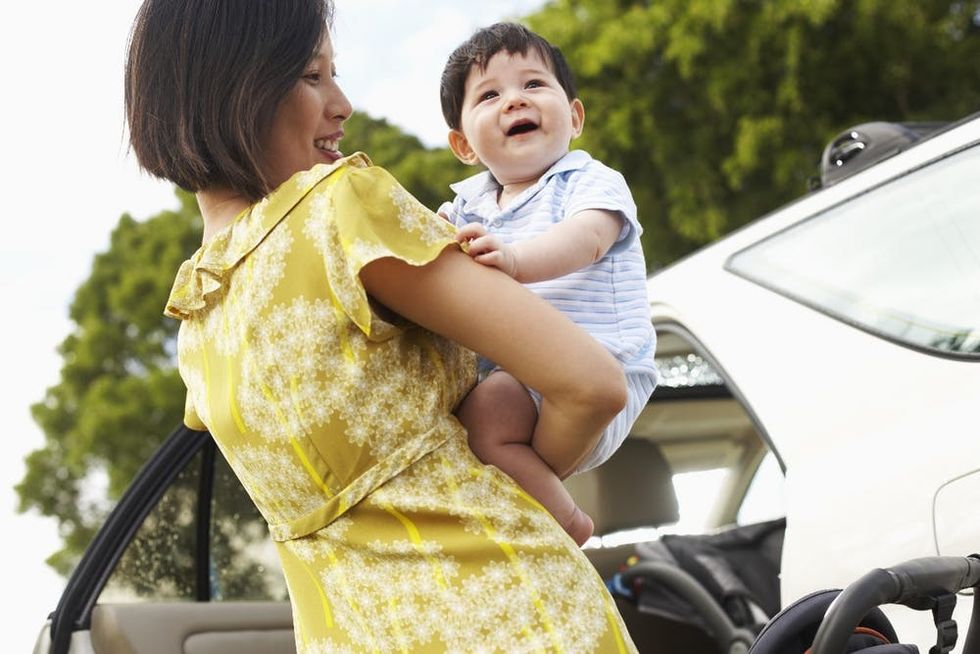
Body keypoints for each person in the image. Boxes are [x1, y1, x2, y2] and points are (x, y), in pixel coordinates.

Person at [126, 1, 638, 651]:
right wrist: (531, 481)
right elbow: (592, 384)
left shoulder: (198, 322)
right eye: (313, 77)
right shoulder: (341, 209)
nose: (341, 104)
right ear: (235, 82)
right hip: (517, 622)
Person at [438, 23, 658, 546]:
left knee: (488, 416)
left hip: (604, 365)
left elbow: (587, 239)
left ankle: (566, 522)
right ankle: (549, 518)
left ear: (575, 116)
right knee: (478, 426)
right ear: (464, 144)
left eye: (534, 85)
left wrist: (514, 259)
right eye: (490, 95)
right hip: (519, 378)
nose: (515, 101)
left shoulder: (588, 180)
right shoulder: (466, 207)